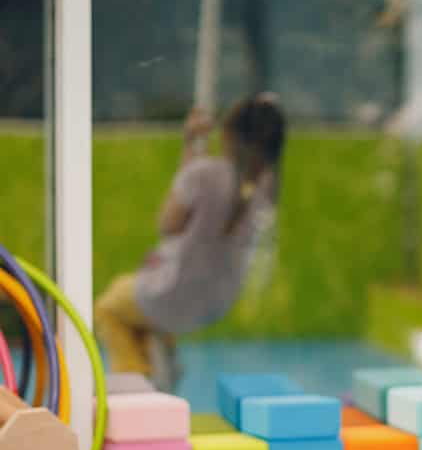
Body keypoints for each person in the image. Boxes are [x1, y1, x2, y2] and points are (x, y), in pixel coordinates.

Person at [94, 93, 286, 390]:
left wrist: (191, 143)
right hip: (216, 302)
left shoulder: (204, 173)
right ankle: (162, 351)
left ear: (228, 134)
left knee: (108, 308)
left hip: (172, 294)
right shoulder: (266, 186)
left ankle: (137, 379)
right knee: (138, 301)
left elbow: (167, 225)